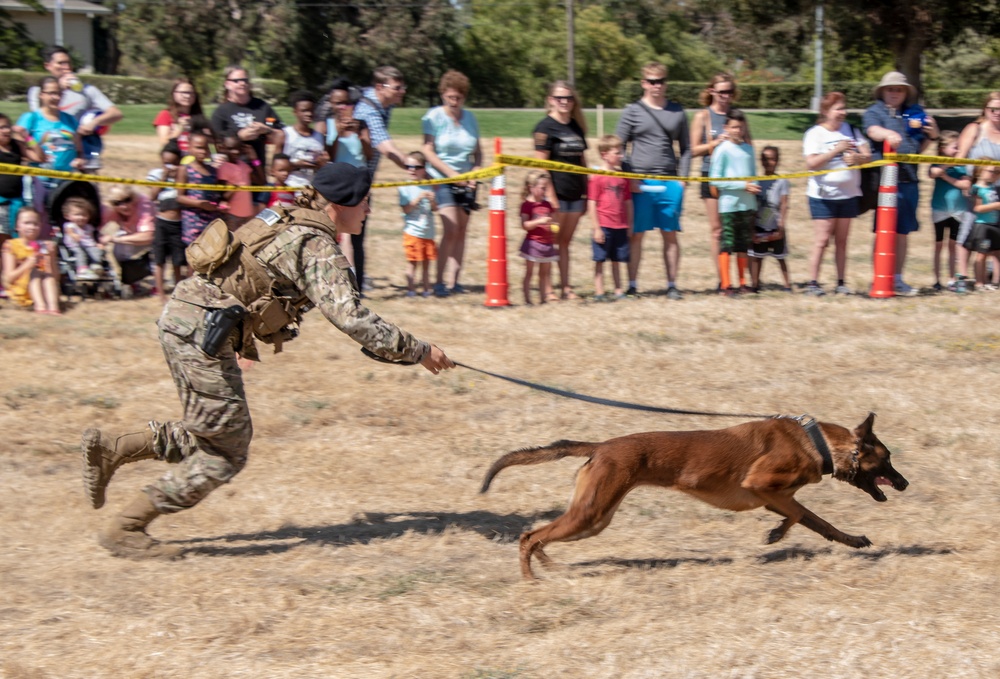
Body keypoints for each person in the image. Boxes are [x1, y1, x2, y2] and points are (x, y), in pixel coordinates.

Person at [81, 162, 455, 559]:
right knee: (226, 452)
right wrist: (419, 351)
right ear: (340, 204)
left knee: (220, 430)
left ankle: (116, 447)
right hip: (201, 333)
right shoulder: (316, 245)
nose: (369, 210)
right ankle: (126, 528)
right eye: (365, 202)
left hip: (194, 323)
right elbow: (353, 319)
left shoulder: (289, 218)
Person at [615, 61, 690, 299]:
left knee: (670, 234)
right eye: (651, 81)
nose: (656, 86)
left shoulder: (677, 112)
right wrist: (629, 179)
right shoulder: (632, 111)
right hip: (640, 183)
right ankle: (633, 284)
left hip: (670, 181)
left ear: (666, 83)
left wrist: (683, 180)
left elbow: (686, 148)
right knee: (636, 235)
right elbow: (618, 147)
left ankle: (672, 284)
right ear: (643, 83)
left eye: (660, 81)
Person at [863, 71, 939, 295]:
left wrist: (932, 135)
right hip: (885, 181)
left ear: (905, 92)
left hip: (909, 181)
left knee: (902, 232)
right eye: (890, 89)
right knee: (884, 231)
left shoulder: (914, 113)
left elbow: (917, 148)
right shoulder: (874, 111)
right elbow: (872, 130)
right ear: (882, 91)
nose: (895, 92)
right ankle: (879, 278)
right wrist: (886, 133)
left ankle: (897, 279)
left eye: (899, 89)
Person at [803, 92, 871, 296]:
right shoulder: (814, 134)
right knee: (822, 240)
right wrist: (836, 150)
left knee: (842, 241)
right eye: (838, 109)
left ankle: (841, 282)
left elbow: (868, 155)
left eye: (844, 108)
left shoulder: (851, 130)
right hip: (823, 196)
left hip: (848, 195)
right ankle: (813, 283)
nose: (843, 113)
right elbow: (811, 163)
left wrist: (858, 158)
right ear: (826, 111)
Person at [423, 70, 482, 297]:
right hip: (442, 179)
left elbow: (477, 153)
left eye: (458, 98)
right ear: (443, 95)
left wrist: (475, 172)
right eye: (450, 97)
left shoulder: (470, 119)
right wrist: (450, 174)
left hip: (467, 181)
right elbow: (428, 150)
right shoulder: (433, 117)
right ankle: (438, 282)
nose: (454, 102)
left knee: (462, 230)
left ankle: (455, 281)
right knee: (450, 228)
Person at [351, 66, 410, 294]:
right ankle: (352, 282)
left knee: (357, 232)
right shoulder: (368, 108)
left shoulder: (386, 105)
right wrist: (413, 166)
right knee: (352, 233)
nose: (401, 91)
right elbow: (385, 146)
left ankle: (356, 278)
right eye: (397, 87)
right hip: (352, 181)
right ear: (379, 87)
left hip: (364, 179)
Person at [691, 73, 752, 290]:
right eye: (722, 91)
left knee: (739, 230)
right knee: (718, 230)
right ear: (711, 91)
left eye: (730, 91)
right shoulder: (703, 117)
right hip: (712, 176)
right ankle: (723, 280)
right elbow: (693, 150)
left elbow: (749, 147)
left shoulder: (738, 116)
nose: (726, 96)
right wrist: (716, 143)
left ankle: (743, 279)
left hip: (739, 179)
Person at [532, 80, 587, 300]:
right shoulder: (544, 128)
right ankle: (547, 288)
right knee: (548, 243)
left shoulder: (576, 126)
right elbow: (541, 166)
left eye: (568, 98)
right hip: (556, 195)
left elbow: (582, 160)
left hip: (575, 194)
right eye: (559, 98)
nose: (564, 102)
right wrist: (550, 197)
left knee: (564, 243)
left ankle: (566, 287)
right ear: (550, 100)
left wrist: (586, 192)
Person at [27, 46, 123, 164]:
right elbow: (39, 117)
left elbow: (116, 113)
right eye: (61, 63)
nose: (66, 67)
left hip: (79, 149)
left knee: (90, 165)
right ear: (48, 66)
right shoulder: (37, 92)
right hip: (47, 149)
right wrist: (59, 87)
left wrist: (94, 123)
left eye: (68, 63)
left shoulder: (87, 90)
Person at [319, 78, 373, 272]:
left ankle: (358, 282)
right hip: (339, 188)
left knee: (357, 237)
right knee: (336, 234)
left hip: (359, 187)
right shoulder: (326, 126)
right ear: (331, 104)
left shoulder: (361, 124)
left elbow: (369, 154)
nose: (343, 107)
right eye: (338, 103)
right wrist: (338, 135)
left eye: (346, 102)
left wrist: (360, 135)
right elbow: (327, 156)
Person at [709, 110, 759, 297]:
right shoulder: (722, 150)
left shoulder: (749, 149)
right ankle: (726, 284)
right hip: (729, 205)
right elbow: (715, 180)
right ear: (726, 128)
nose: (738, 130)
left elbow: (753, 175)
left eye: (741, 127)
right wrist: (742, 185)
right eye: (734, 127)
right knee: (727, 244)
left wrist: (754, 188)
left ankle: (743, 282)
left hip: (747, 205)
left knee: (743, 245)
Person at [955, 92, 1000, 291]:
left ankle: (991, 278)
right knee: (969, 233)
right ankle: (961, 277)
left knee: (995, 238)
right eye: (993, 109)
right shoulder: (975, 129)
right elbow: (960, 157)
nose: (997, 113)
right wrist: (965, 179)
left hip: (998, 192)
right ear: (985, 109)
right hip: (978, 188)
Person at [210, 65, 284, 186]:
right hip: (232, 174)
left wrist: (266, 129)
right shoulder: (221, 111)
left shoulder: (261, 107)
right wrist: (239, 137)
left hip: (258, 170)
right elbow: (217, 142)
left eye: (245, 80)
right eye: (236, 81)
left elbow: (280, 131)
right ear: (227, 84)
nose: (242, 83)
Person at [18, 76, 86, 191]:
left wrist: (80, 160)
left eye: (59, 93)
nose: (56, 97)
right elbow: (18, 145)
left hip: (66, 181)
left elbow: (79, 150)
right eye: (52, 93)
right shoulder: (31, 118)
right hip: (40, 181)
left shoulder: (70, 120)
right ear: (41, 94)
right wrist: (36, 155)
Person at [0, 113, 42, 296]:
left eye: (7, 126)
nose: (6, 130)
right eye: (1, 127)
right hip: (0, 202)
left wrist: (27, 137)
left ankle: (14, 280)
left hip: (16, 202)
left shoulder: (17, 146)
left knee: (14, 243)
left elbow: (40, 157)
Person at [587, 135, 632, 300]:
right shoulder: (597, 177)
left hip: (620, 226)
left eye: (621, 152)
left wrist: (630, 224)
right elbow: (592, 203)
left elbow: (627, 202)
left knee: (617, 260)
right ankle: (599, 291)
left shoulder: (623, 176)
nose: (621, 156)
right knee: (600, 260)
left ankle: (618, 290)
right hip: (604, 225)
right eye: (617, 152)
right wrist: (596, 228)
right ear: (605, 154)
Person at [928, 132, 971, 292]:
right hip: (939, 210)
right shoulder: (937, 163)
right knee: (938, 245)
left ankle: (952, 279)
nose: (958, 151)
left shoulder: (962, 165)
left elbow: (965, 185)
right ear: (943, 148)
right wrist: (947, 165)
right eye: (955, 148)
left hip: (958, 212)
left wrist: (947, 177)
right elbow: (933, 173)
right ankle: (937, 280)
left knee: (953, 246)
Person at [147, 141, 185, 303]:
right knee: (159, 259)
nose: (170, 167)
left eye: (174, 163)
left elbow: (182, 193)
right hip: (162, 222)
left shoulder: (183, 175)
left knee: (177, 260)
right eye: (166, 163)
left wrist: (178, 176)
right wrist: (163, 177)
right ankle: (161, 292)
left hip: (178, 223)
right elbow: (152, 196)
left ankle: (178, 291)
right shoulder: (156, 174)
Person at [1, 208, 60, 313]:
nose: (32, 227)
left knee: (48, 277)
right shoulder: (11, 245)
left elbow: (55, 277)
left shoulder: (43, 246)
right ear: (17, 226)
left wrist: (51, 256)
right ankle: (40, 307)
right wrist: (27, 264)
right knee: (35, 273)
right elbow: (8, 278)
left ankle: (53, 308)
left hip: (42, 289)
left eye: (35, 224)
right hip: (21, 290)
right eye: (27, 223)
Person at [750, 146, 791, 292]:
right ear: (761, 161)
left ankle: (787, 285)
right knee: (756, 257)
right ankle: (755, 284)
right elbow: (754, 205)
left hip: (775, 225)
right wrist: (752, 226)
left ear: (778, 161)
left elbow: (784, 204)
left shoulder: (782, 182)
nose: (769, 162)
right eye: (765, 159)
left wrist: (781, 224)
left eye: (772, 159)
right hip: (760, 224)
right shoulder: (757, 181)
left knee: (780, 257)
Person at [100, 185, 156, 292]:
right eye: (117, 203)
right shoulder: (110, 208)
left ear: (133, 198)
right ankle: (132, 280)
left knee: (157, 254)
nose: (124, 206)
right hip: (130, 233)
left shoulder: (144, 204)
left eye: (127, 200)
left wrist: (114, 238)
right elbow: (95, 227)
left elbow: (148, 236)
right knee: (118, 250)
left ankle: (157, 284)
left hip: (154, 235)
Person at [176, 131, 228, 246]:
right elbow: (180, 197)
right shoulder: (185, 170)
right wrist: (199, 203)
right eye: (198, 148)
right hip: (193, 220)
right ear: (189, 148)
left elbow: (217, 194)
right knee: (195, 254)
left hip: (211, 217)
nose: (203, 151)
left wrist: (221, 203)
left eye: (205, 148)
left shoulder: (213, 170)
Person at [398, 152, 438, 297]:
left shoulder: (429, 186)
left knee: (427, 264)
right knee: (413, 263)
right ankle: (410, 289)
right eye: (408, 166)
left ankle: (427, 289)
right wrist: (419, 198)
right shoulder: (404, 187)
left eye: (416, 167)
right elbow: (406, 209)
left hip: (428, 232)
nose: (412, 170)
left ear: (424, 169)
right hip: (412, 232)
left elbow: (435, 209)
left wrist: (432, 200)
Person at [518, 170, 559, 305]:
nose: (545, 191)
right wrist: (539, 222)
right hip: (533, 244)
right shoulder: (527, 205)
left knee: (544, 274)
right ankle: (527, 300)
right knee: (529, 273)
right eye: (542, 188)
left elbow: (553, 219)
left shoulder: (547, 204)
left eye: (546, 188)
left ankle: (543, 299)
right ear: (532, 187)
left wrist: (554, 224)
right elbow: (525, 225)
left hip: (547, 243)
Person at [283, 90, 328, 189]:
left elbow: (325, 165)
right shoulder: (285, 134)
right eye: (304, 110)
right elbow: (275, 168)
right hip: (290, 189)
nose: (309, 114)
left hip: (312, 190)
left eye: (312, 110)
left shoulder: (320, 137)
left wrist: (320, 163)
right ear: (295, 112)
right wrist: (296, 165)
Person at [216, 135, 264, 230]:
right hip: (232, 215)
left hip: (248, 214)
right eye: (231, 149)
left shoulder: (244, 166)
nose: (236, 152)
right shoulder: (223, 168)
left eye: (238, 148)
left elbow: (261, 181)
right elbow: (223, 196)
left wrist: (254, 159)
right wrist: (235, 188)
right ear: (224, 148)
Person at [969, 164, 1000, 290]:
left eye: (996, 172)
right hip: (983, 227)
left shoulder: (994, 187)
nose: (993, 174)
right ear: (980, 172)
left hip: (995, 226)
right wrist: (996, 205)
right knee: (982, 254)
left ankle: (994, 282)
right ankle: (979, 282)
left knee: (997, 254)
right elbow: (977, 208)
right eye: (990, 171)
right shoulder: (977, 188)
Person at [152, 78, 204, 152]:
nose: (187, 96)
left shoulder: (198, 116)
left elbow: (210, 140)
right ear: (174, 94)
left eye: (191, 93)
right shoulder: (165, 114)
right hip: (176, 158)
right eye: (183, 92)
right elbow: (164, 143)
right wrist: (179, 130)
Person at [62, 196, 104, 280]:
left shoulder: (89, 227)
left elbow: (91, 237)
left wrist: (97, 244)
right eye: (77, 214)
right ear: (67, 216)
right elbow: (69, 231)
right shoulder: (70, 225)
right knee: (80, 253)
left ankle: (95, 266)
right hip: (75, 244)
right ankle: (82, 269)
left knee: (97, 251)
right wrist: (73, 235)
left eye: (84, 215)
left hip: (88, 244)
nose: (81, 217)